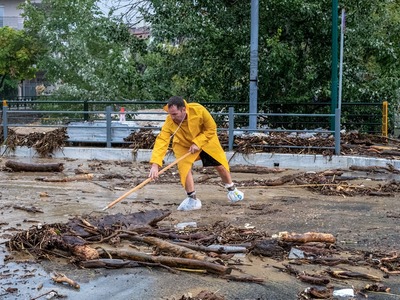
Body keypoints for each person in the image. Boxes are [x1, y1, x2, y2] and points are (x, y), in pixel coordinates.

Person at [148, 96, 244, 211]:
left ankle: (232, 189)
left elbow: (211, 128)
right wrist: (155, 164)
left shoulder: (199, 110)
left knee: (220, 165)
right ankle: (192, 198)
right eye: (170, 114)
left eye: (174, 114)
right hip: (184, 145)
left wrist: (198, 142)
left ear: (183, 109)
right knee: (184, 168)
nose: (171, 117)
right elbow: (162, 139)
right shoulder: (170, 120)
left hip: (206, 141)